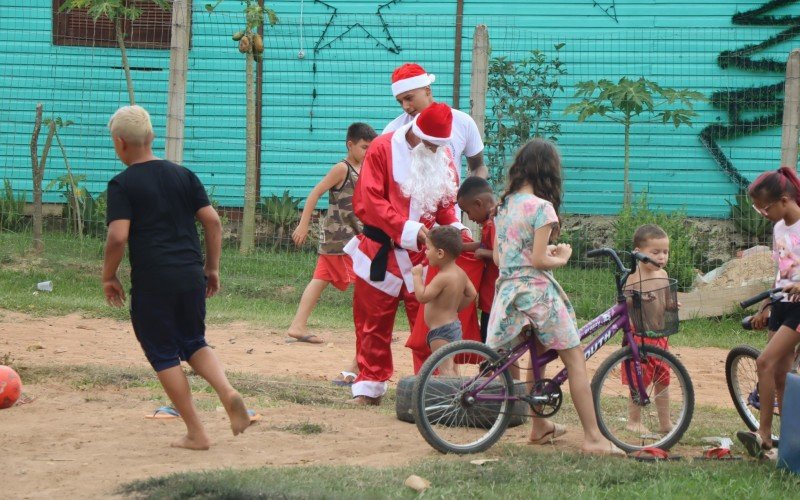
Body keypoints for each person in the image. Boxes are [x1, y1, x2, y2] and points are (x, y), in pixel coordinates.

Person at [102, 105, 251, 450]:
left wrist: (109, 275)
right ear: (152, 137)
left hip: (154, 280)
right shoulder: (183, 175)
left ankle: (197, 432)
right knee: (194, 340)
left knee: (162, 352)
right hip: (189, 274)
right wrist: (211, 268)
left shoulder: (122, 184)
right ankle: (227, 392)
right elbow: (213, 222)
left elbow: (118, 237)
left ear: (120, 143)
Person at [486, 138, 624, 456]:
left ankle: (540, 427)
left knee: (538, 357)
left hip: (509, 293)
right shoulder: (542, 208)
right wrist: (560, 257)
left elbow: (499, 257)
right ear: (548, 171)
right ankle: (592, 439)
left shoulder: (503, 206)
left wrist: (540, 253)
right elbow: (538, 261)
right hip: (536, 294)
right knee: (575, 360)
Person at [344, 102, 463, 405]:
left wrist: (457, 229)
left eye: (441, 145)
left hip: (423, 257)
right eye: (432, 145)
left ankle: (430, 389)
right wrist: (407, 228)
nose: (438, 151)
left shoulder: (442, 154)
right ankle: (370, 385)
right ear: (417, 135)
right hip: (380, 251)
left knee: (427, 323)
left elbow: (445, 200)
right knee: (372, 322)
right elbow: (370, 201)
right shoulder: (382, 149)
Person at [386, 63, 485, 370]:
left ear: (427, 90)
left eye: (410, 97)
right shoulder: (394, 132)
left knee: (458, 286)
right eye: (401, 100)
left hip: (451, 223)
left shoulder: (463, 122)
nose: (406, 105)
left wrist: (469, 202)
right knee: (409, 301)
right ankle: (416, 369)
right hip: (412, 231)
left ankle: (464, 359)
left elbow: (477, 166)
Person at [287, 123, 376, 389]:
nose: (367, 152)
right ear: (350, 145)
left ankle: (297, 325)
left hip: (352, 237)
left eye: (370, 148)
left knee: (320, 278)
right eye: (363, 147)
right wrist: (303, 224)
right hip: (342, 240)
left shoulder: (365, 168)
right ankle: (371, 336)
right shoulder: (342, 168)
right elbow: (316, 192)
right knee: (367, 288)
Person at [737, 166, 800, 460]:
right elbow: (782, 272)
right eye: (758, 209)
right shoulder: (778, 229)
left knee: (764, 362)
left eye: (766, 208)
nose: (763, 214)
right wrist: (768, 304)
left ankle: (763, 435)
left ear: (785, 199)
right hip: (783, 304)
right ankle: (790, 444)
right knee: (780, 376)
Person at [621, 224, 675, 435]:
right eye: (655, 252)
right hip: (639, 336)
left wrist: (672, 306)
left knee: (663, 379)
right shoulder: (634, 278)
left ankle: (665, 422)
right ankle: (634, 420)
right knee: (639, 380)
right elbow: (623, 303)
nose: (661, 257)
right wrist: (636, 299)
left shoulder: (663, 275)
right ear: (638, 253)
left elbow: (667, 302)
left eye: (665, 252)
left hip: (660, 336)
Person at [411, 226, 477, 376]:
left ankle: (450, 398)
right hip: (454, 326)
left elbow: (422, 296)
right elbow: (472, 293)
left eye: (428, 249)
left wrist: (416, 277)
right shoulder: (460, 272)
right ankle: (458, 395)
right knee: (452, 366)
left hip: (440, 331)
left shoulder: (443, 277)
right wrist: (456, 309)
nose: (426, 253)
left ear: (440, 253)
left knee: (445, 368)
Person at [457, 176, 499, 343]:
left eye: (468, 211)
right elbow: (484, 244)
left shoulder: (494, 223)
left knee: (489, 340)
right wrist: (463, 247)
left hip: (496, 293)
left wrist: (483, 254)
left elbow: (502, 254)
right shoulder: (490, 221)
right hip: (491, 292)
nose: (470, 217)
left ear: (478, 203)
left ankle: (490, 369)